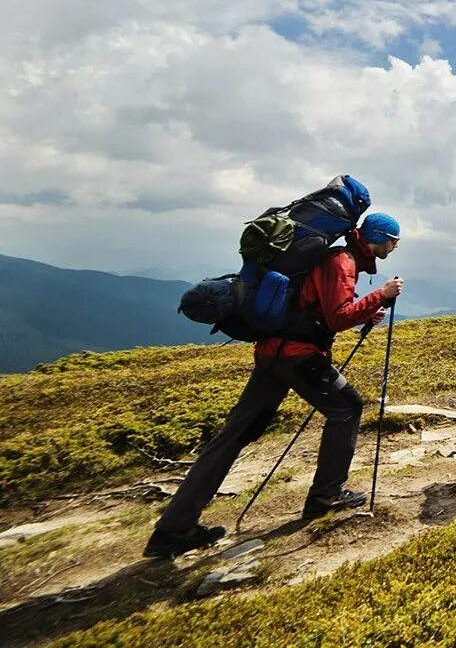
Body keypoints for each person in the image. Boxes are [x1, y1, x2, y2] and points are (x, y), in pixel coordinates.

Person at [143, 213, 404, 558]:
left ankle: (172, 529)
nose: (395, 246)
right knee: (347, 407)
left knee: (234, 435)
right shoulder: (342, 261)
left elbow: (321, 307)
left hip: (273, 354)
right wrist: (380, 296)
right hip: (298, 356)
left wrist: (366, 310)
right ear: (380, 238)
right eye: (394, 240)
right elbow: (337, 317)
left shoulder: (338, 258)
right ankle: (327, 493)